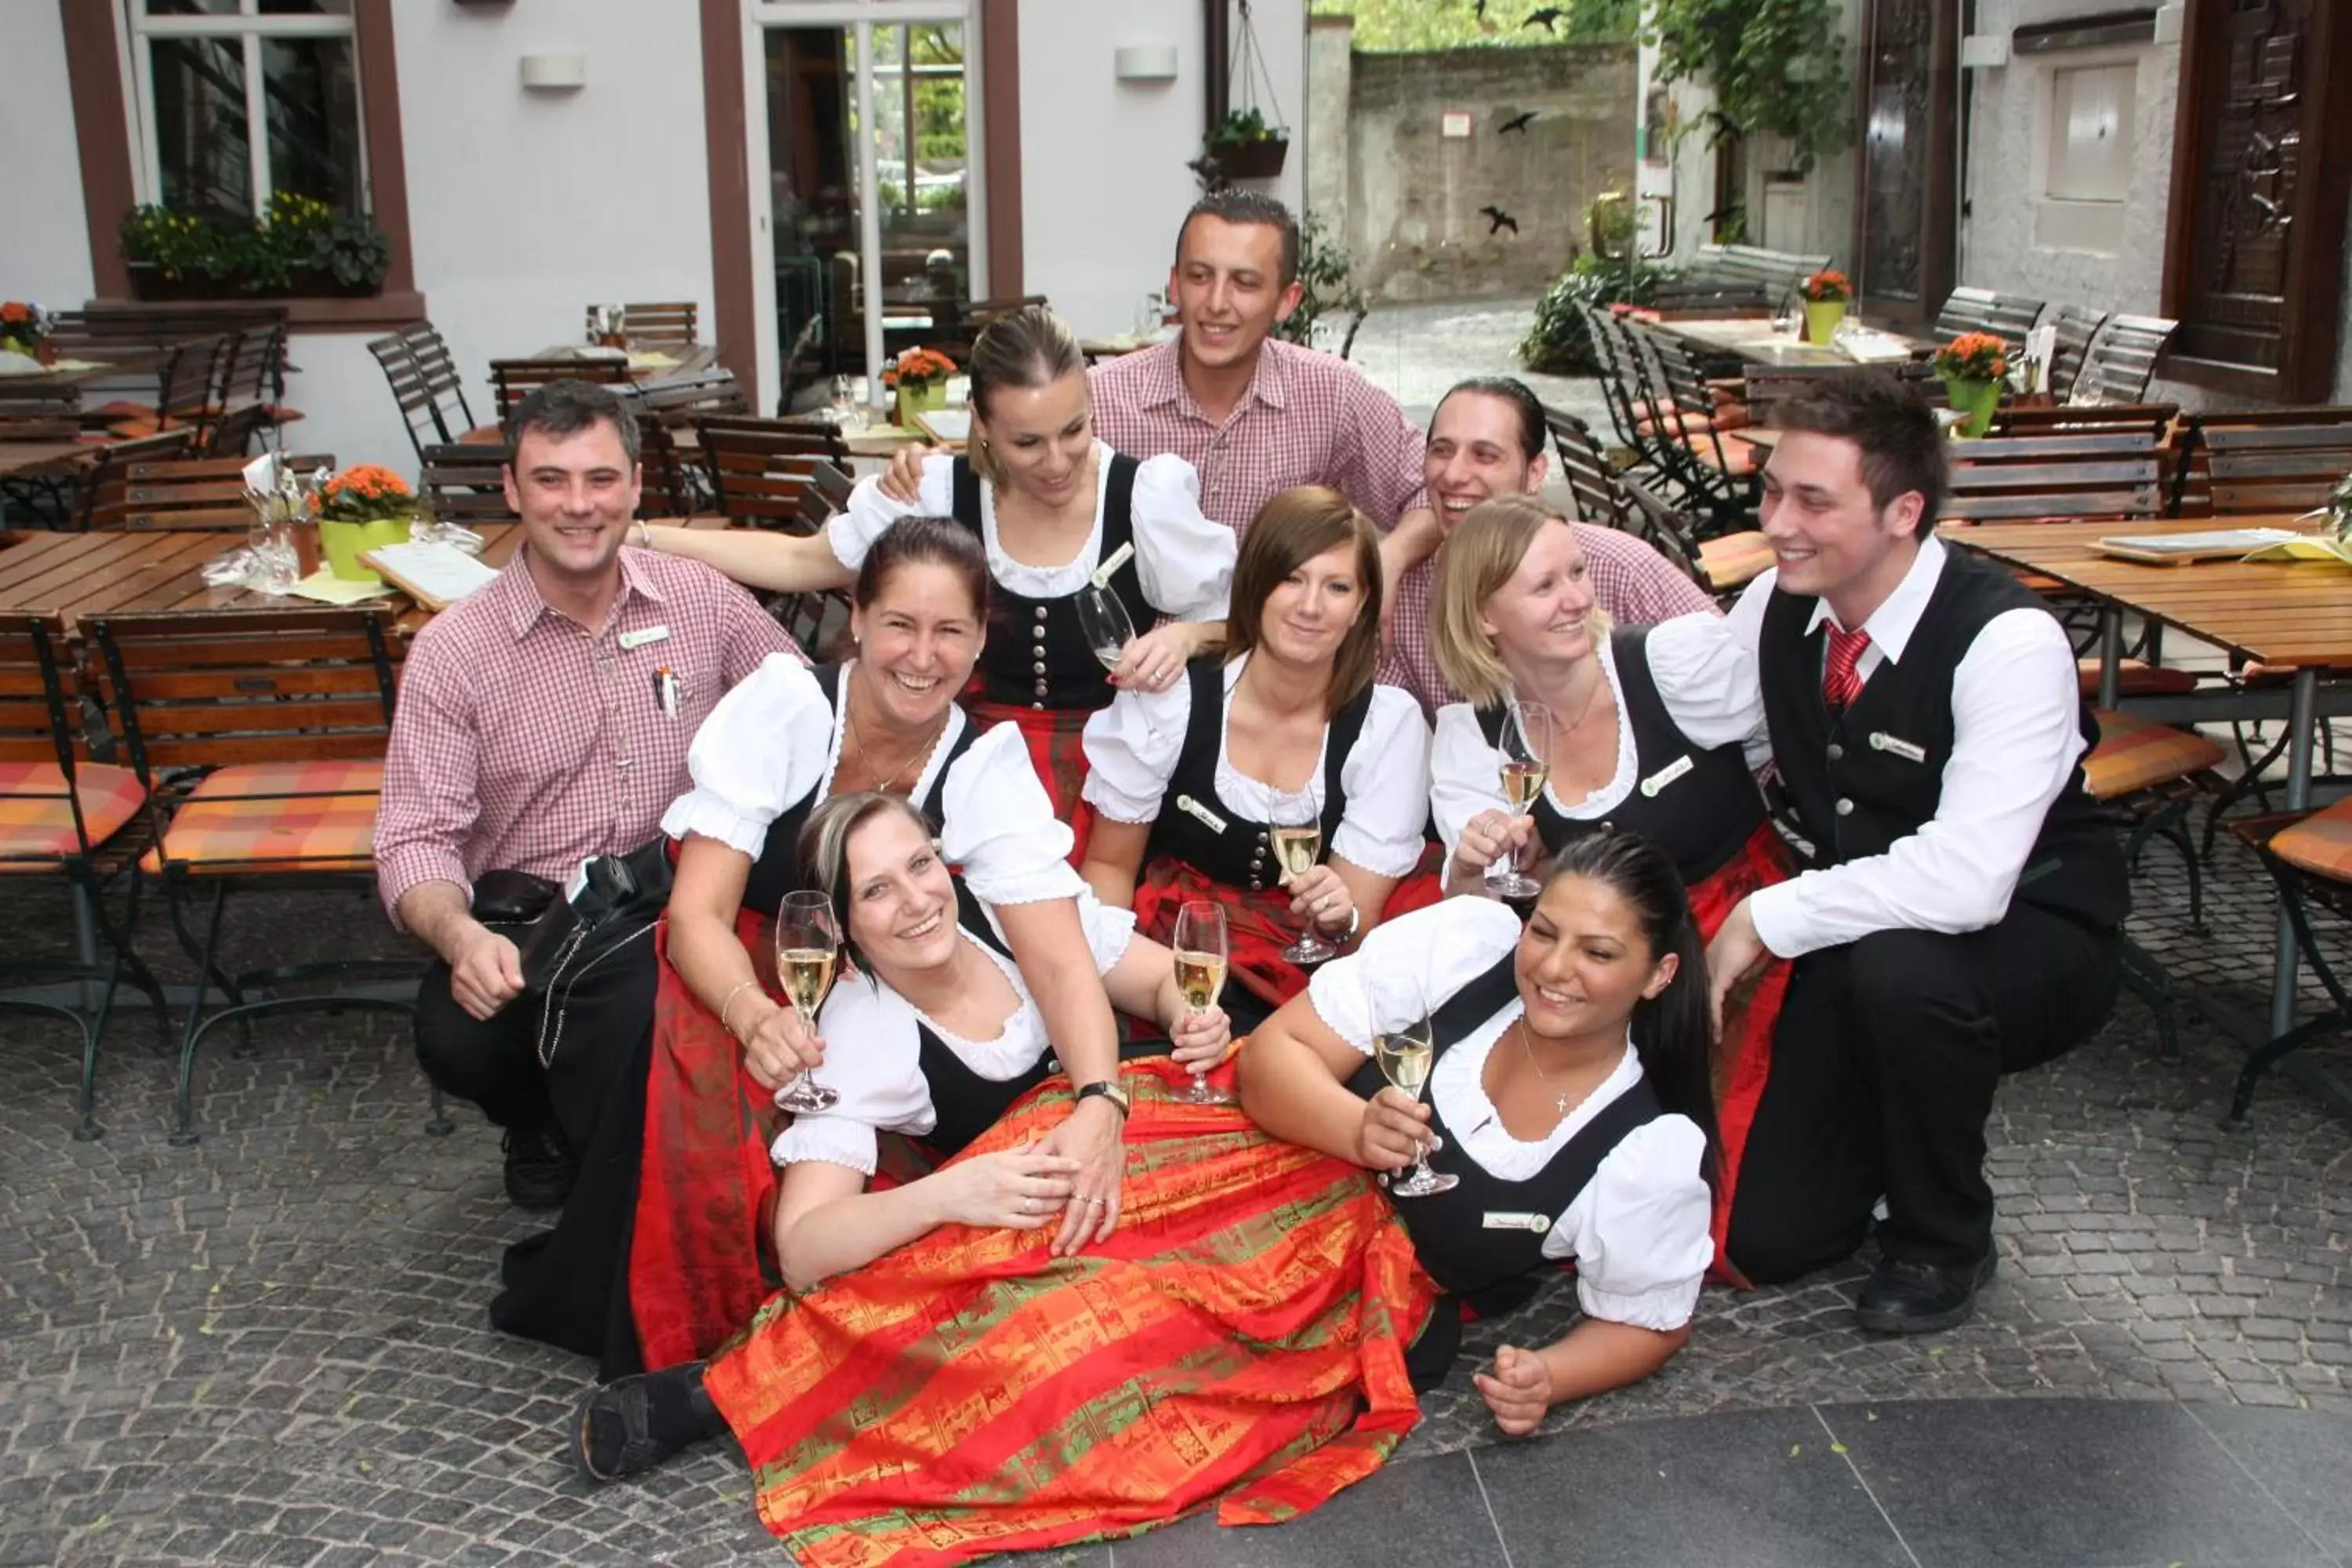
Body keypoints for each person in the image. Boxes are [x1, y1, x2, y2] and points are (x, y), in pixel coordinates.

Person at [571, 795, 1439, 1565]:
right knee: (1103, 1332)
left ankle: (1384, 1291)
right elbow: (803, 1247)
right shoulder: (864, 1023)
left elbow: (1161, 982)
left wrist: (1192, 1018)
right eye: (877, 890)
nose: (914, 901)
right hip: (1037, 1206)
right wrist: (952, 1191)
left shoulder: (1007, 908)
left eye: (918, 865)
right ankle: (727, 1393)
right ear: (844, 926)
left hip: (1157, 1134)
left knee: (1306, 1188)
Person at [633, 515, 1133, 1373]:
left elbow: (1056, 951)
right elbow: (696, 916)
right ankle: (705, 1353)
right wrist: (752, 1014)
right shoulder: (789, 705)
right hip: (735, 959)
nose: (922, 655)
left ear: (980, 642)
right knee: (683, 1096)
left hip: (891, 974)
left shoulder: (983, 764)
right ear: (856, 616)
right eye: (901, 623)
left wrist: (1100, 1098)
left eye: (951, 631)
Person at [1679, 374, 2127, 1332]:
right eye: (1771, 491)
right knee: (1769, 1238)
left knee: (1905, 977)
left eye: (1813, 500)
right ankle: (1882, 1146)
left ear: (1903, 511)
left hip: (2033, 932)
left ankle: (1944, 1237)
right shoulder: (1777, 603)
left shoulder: (2007, 639)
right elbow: (1698, 727)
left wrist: (1764, 915)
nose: (1777, 522)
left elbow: (1968, 882)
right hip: (1864, 927)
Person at [374, 379, 800, 1365]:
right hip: (533, 921)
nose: (580, 503)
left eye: (602, 477)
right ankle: (542, 1119)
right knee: (457, 1035)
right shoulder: (455, 651)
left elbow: (800, 711)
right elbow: (413, 840)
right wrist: (460, 934)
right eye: (552, 479)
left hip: (676, 899)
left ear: (637, 484)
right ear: (513, 492)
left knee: (649, 1016)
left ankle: (651, 1256)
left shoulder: (700, 601)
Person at [642, 306, 1235, 840]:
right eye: (1027, 442)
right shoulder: (935, 489)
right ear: (980, 422)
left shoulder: (1144, 495)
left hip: (1112, 781)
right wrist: (645, 535)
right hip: (961, 772)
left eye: (1074, 430)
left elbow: (1243, 622)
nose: (1058, 462)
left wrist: (1187, 635)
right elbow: (804, 561)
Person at [1240, 830, 1719, 1435]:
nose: (1552, 966)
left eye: (1597, 953)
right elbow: (1268, 1060)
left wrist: (1552, 1376)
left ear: (1659, 974)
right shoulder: (1466, 949)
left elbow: (1652, 1321)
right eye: (1544, 932)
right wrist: (1355, 1128)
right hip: (1256, 1181)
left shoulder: (1644, 1150)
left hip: (1337, 1311)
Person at [1422, 493, 1787, 1267]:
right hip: (1622, 974)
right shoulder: (1477, 737)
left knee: (1765, 1209)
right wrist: (1472, 865)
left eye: (1579, 572)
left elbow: (1787, 727)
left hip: (1755, 937)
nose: (1578, 598)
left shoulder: (1667, 663)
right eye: (1545, 584)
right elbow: (1477, 914)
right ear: (1485, 615)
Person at [880, 190, 1443, 619]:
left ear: (1286, 300)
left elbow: (1429, 489)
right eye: (1200, 277)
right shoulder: (1102, 398)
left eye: (1245, 283)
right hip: (1129, 694)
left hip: (1283, 685)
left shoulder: (1333, 394)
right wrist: (923, 468)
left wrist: (1387, 564)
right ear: (1174, 284)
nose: (1217, 303)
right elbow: (1008, 452)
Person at [1079, 488, 1434, 1033]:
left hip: (1302, 975)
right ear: (1255, 585)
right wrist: (1102, 984)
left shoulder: (1387, 728)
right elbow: (1110, 866)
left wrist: (1340, 914)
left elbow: (1352, 927)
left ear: (1363, 604)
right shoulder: (1172, 701)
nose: (1311, 606)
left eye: (1336, 587)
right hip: (1171, 951)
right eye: (1291, 578)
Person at [1383, 376, 1718, 717]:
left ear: (1535, 473)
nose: (1453, 474)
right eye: (1441, 450)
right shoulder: (1402, 597)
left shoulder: (1619, 569)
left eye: (1484, 455)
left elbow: (1731, 674)